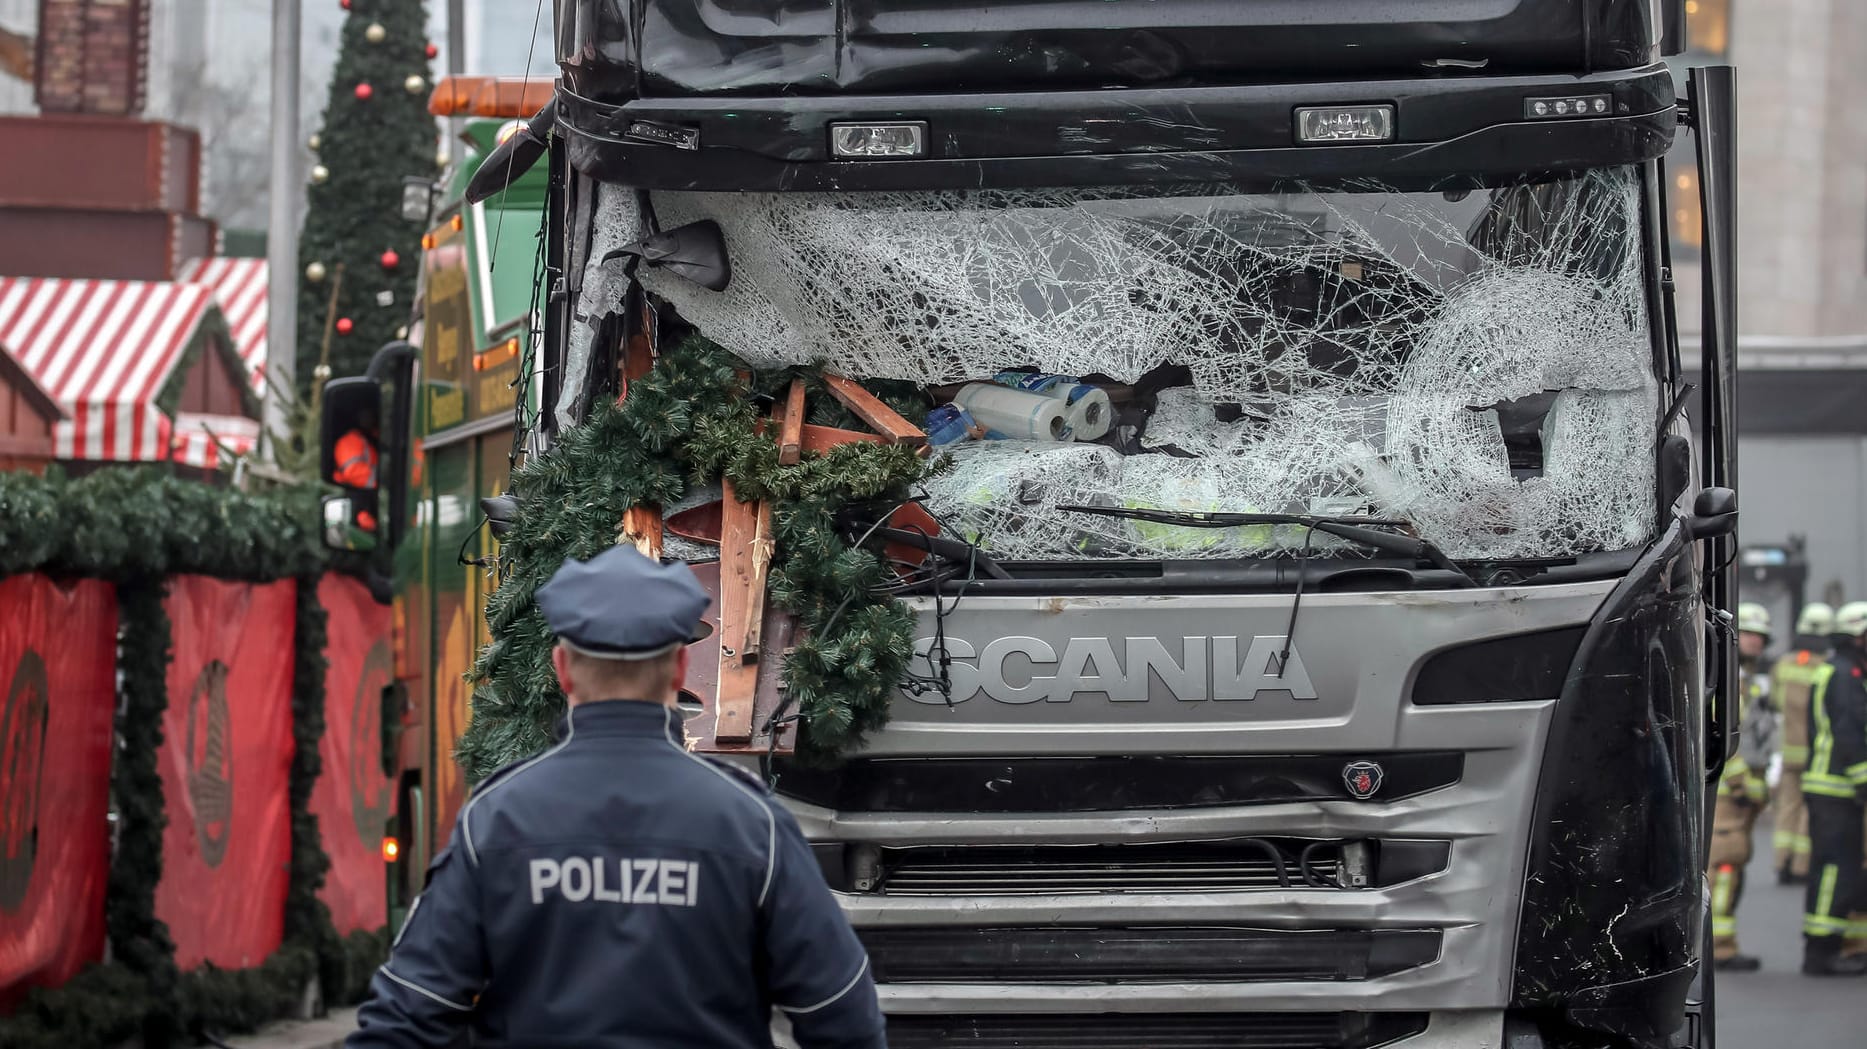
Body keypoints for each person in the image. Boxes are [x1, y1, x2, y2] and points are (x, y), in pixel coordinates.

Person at [347, 546, 887, 1047]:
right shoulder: (751, 824)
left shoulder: (495, 820)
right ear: (679, 670)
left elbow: (406, 1017)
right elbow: (842, 1013)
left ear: (561, 670)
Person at [1801, 600, 1867, 976]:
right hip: (1835, 789)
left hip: (1832, 789)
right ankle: (1821, 952)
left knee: (1836, 868)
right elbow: (1849, 731)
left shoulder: (1842, 669)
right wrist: (1864, 780)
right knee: (1833, 870)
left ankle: (1826, 947)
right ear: (1857, 636)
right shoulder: (1845, 674)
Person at [1708, 602, 1772, 971]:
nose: (1757, 642)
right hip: (1734, 791)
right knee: (1726, 864)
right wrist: (1743, 782)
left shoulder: (1746, 679)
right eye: (1749, 634)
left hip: (1746, 791)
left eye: (1761, 637)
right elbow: (1719, 735)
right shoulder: (1729, 679)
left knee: (1735, 863)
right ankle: (1722, 946)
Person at [1774, 602, 1834, 885]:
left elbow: (1774, 702)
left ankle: (1781, 860)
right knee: (1808, 810)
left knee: (1787, 806)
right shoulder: (1825, 668)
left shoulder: (1783, 664)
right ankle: (1800, 866)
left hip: (1787, 750)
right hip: (1814, 751)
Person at [334, 407, 381, 532]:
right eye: (364, 416)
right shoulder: (350, 441)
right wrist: (386, 481)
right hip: (361, 501)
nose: (369, 420)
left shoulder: (375, 439)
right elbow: (353, 473)